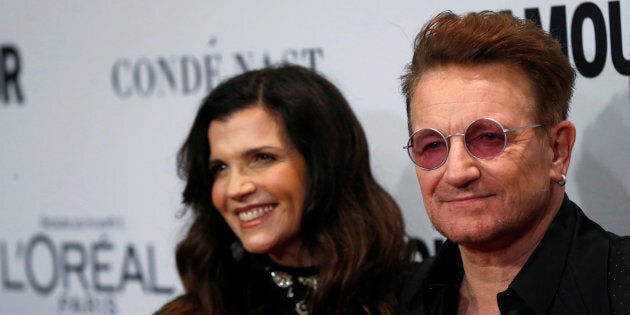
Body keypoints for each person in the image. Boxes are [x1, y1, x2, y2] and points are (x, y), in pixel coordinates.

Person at [398, 10, 629, 315]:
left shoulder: (620, 287)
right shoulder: (395, 299)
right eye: (433, 145)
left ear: (557, 150)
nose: (456, 172)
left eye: (490, 138)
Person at [155, 64, 417, 315]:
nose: (235, 189)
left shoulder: (416, 298)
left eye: (261, 158)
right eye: (220, 168)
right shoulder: (198, 309)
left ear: (322, 164)